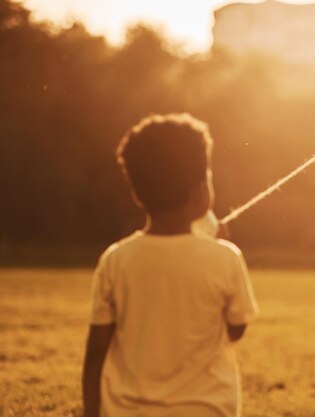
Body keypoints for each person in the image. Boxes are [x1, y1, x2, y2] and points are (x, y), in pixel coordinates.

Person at [81, 113, 258, 417]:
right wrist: (215, 246)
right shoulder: (225, 258)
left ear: (137, 193)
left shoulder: (115, 260)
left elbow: (95, 352)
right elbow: (236, 329)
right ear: (201, 190)